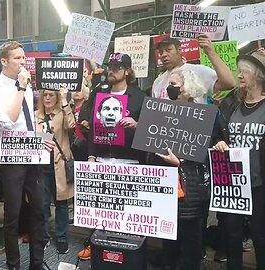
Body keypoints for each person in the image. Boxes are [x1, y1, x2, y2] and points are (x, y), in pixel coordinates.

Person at [0, 41, 53, 270]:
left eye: (24, 58)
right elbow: (10, 120)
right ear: (4, 61)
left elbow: (28, 121)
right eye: (18, 58)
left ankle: (36, 263)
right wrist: (21, 88)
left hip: (32, 152)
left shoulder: (27, 86)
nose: (23, 62)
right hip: (11, 156)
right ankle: (13, 264)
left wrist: (41, 139)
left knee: (40, 208)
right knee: (12, 213)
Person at [78, 53, 146, 260]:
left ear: (127, 71)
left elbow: (150, 129)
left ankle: (127, 251)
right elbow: (90, 123)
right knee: (101, 208)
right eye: (110, 67)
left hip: (129, 160)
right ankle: (95, 245)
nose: (112, 71)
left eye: (117, 67)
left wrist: (136, 125)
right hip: (101, 159)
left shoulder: (139, 96)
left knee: (127, 211)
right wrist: (91, 155)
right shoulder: (99, 91)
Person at [213, 50, 265, 270]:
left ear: (259, 76)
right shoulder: (231, 103)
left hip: (260, 183)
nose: (240, 76)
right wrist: (218, 144)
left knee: (261, 236)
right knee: (231, 236)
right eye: (239, 71)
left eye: (245, 72)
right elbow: (216, 133)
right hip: (233, 182)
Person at [155, 68, 211, 270]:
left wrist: (179, 163)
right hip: (167, 187)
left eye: (173, 85)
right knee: (168, 239)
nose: (169, 89)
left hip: (191, 191)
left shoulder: (202, 116)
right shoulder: (161, 114)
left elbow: (207, 154)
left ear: (187, 87)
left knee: (190, 242)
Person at [35, 87, 75, 254]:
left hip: (59, 164)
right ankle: (43, 237)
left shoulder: (62, 112)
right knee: (43, 203)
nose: (48, 98)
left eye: (52, 95)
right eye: (45, 95)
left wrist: (65, 101)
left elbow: (71, 125)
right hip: (41, 165)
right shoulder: (35, 114)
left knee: (61, 203)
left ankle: (61, 237)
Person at [153, 34, 235, 104]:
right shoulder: (158, 82)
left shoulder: (199, 71)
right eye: (161, 52)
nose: (163, 55)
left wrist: (210, 51)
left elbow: (229, 83)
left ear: (179, 50)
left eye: (168, 50)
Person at [70, 82, 90, 161]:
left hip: (84, 144)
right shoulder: (68, 108)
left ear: (85, 94)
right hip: (71, 144)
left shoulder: (89, 108)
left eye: (79, 90)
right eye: (75, 90)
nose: (77, 92)